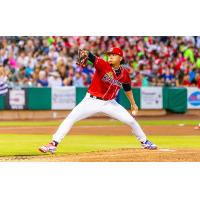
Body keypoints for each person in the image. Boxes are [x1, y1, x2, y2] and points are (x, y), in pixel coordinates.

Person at [39, 47, 157, 154]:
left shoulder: (125, 73)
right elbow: (89, 54)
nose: (110, 56)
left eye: (113, 55)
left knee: (131, 121)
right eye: (109, 55)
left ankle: (144, 141)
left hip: (110, 103)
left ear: (120, 58)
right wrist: (85, 53)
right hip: (91, 100)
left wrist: (133, 103)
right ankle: (53, 144)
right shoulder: (102, 64)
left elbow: (127, 88)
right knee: (71, 118)